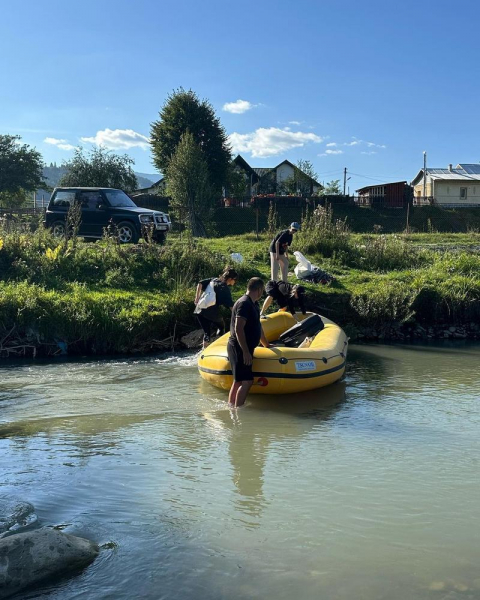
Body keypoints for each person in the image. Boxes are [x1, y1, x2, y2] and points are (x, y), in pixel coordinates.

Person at [227, 277, 270, 409]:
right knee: (247, 381)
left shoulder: (253, 304)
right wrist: (245, 351)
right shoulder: (244, 303)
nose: (262, 293)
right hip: (239, 347)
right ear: (258, 290)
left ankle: (231, 407)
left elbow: (258, 327)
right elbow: (238, 328)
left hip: (245, 347)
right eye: (262, 290)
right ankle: (238, 411)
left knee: (238, 380)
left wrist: (266, 345)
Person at [194, 268, 238, 349]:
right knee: (221, 326)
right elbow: (231, 306)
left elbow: (200, 283)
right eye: (235, 280)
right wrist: (238, 317)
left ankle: (204, 351)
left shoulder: (213, 280)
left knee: (207, 332)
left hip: (199, 309)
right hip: (210, 312)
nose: (235, 282)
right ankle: (219, 347)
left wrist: (196, 299)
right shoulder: (225, 289)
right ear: (230, 279)